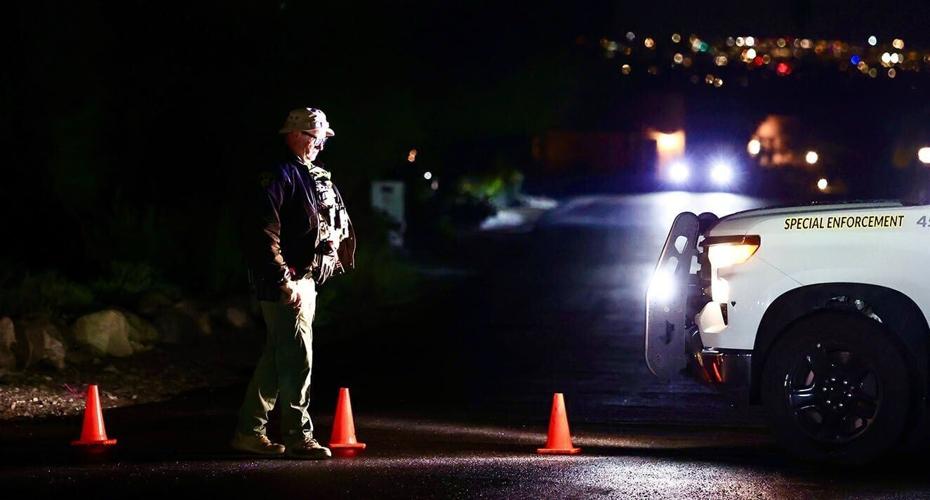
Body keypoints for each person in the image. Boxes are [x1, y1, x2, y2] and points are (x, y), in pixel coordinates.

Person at [231, 107, 356, 459]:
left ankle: (249, 431)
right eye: (317, 138)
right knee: (298, 358)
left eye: (323, 139)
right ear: (297, 136)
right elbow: (263, 231)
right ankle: (299, 436)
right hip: (288, 280)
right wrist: (281, 278)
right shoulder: (279, 174)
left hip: (304, 278)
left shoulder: (305, 173)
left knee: (277, 355)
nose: (321, 145)